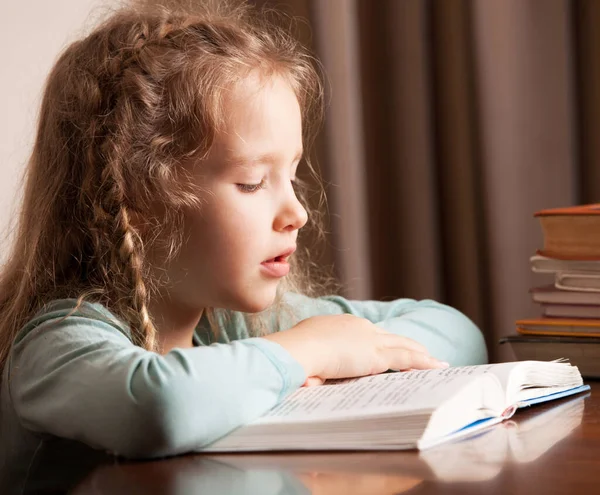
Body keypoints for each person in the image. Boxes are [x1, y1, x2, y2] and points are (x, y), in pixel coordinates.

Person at [0, 0, 487, 491]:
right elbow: (160, 406)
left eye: (292, 176)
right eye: (253, 183)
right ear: (139, 197)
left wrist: (332, 350)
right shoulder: (55, 344)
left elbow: (459, 332)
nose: (298, 213)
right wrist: (310, 351)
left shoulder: (231, 327)